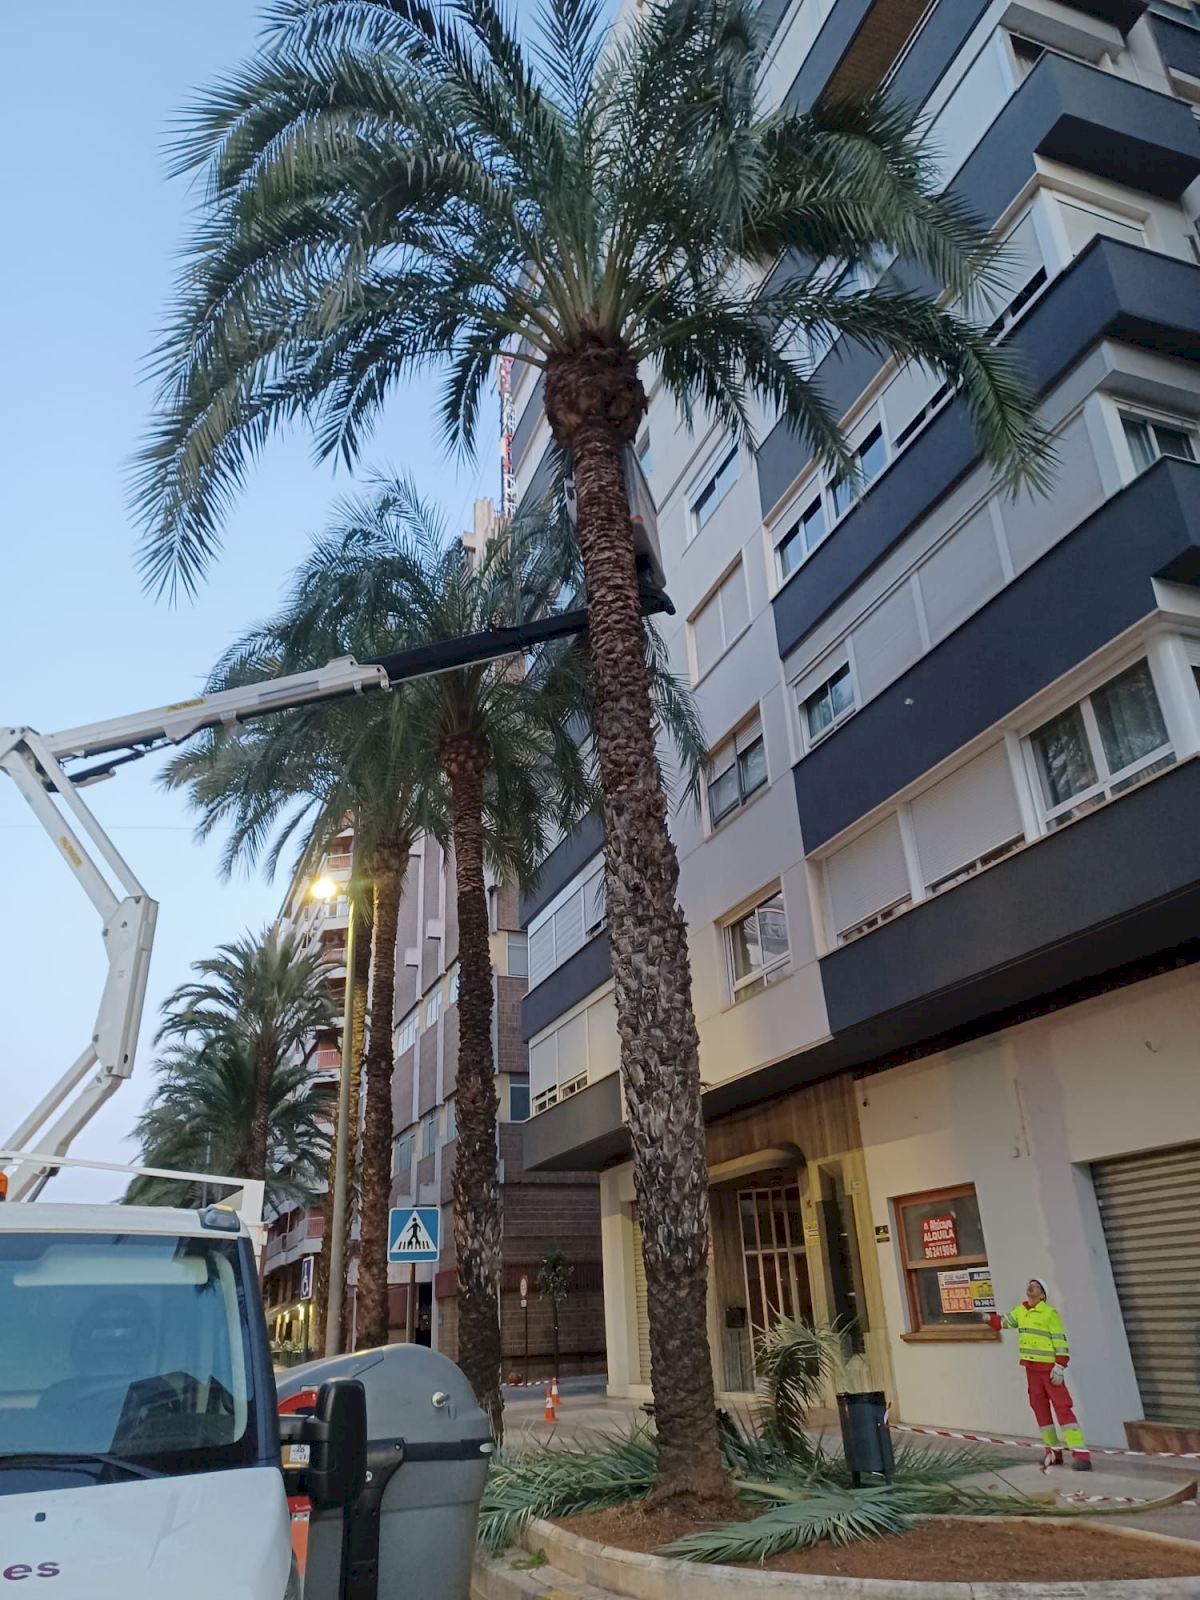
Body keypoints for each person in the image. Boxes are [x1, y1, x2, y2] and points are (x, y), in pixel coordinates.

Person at [988, 1278, 1091, 1470]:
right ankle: (1052, 1452)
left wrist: (1060, 1365)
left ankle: (1081, 1455)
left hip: (1049, 1369)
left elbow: (1059, 1340)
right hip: (1031, 1369)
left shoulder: (1049, 1313)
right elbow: (1003, 1323)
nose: (1031, 1287)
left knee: (1062, 1408)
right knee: (1040, 1409)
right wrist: (986, 1318)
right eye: (1030, 1284)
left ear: (1043, 1294)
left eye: (1036, 1286)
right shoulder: (1021, 1311)